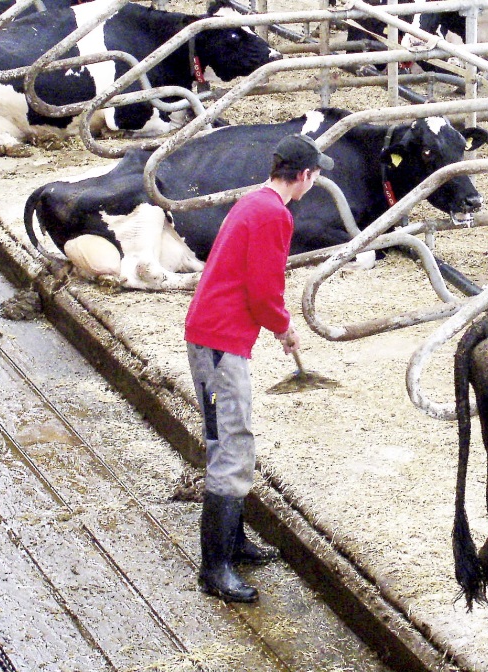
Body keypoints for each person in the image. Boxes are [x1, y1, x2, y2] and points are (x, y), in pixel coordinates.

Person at [185, 133, 333, 603]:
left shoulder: (254, 201)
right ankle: (216, 568)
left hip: (213, 332)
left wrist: (272, 322)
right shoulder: (275, 214)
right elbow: (263, 288)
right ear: (305, 176)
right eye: (316, 174)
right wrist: (283, 326)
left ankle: (235, 543)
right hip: (220, 342)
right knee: (232, 444)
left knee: (231, 439)